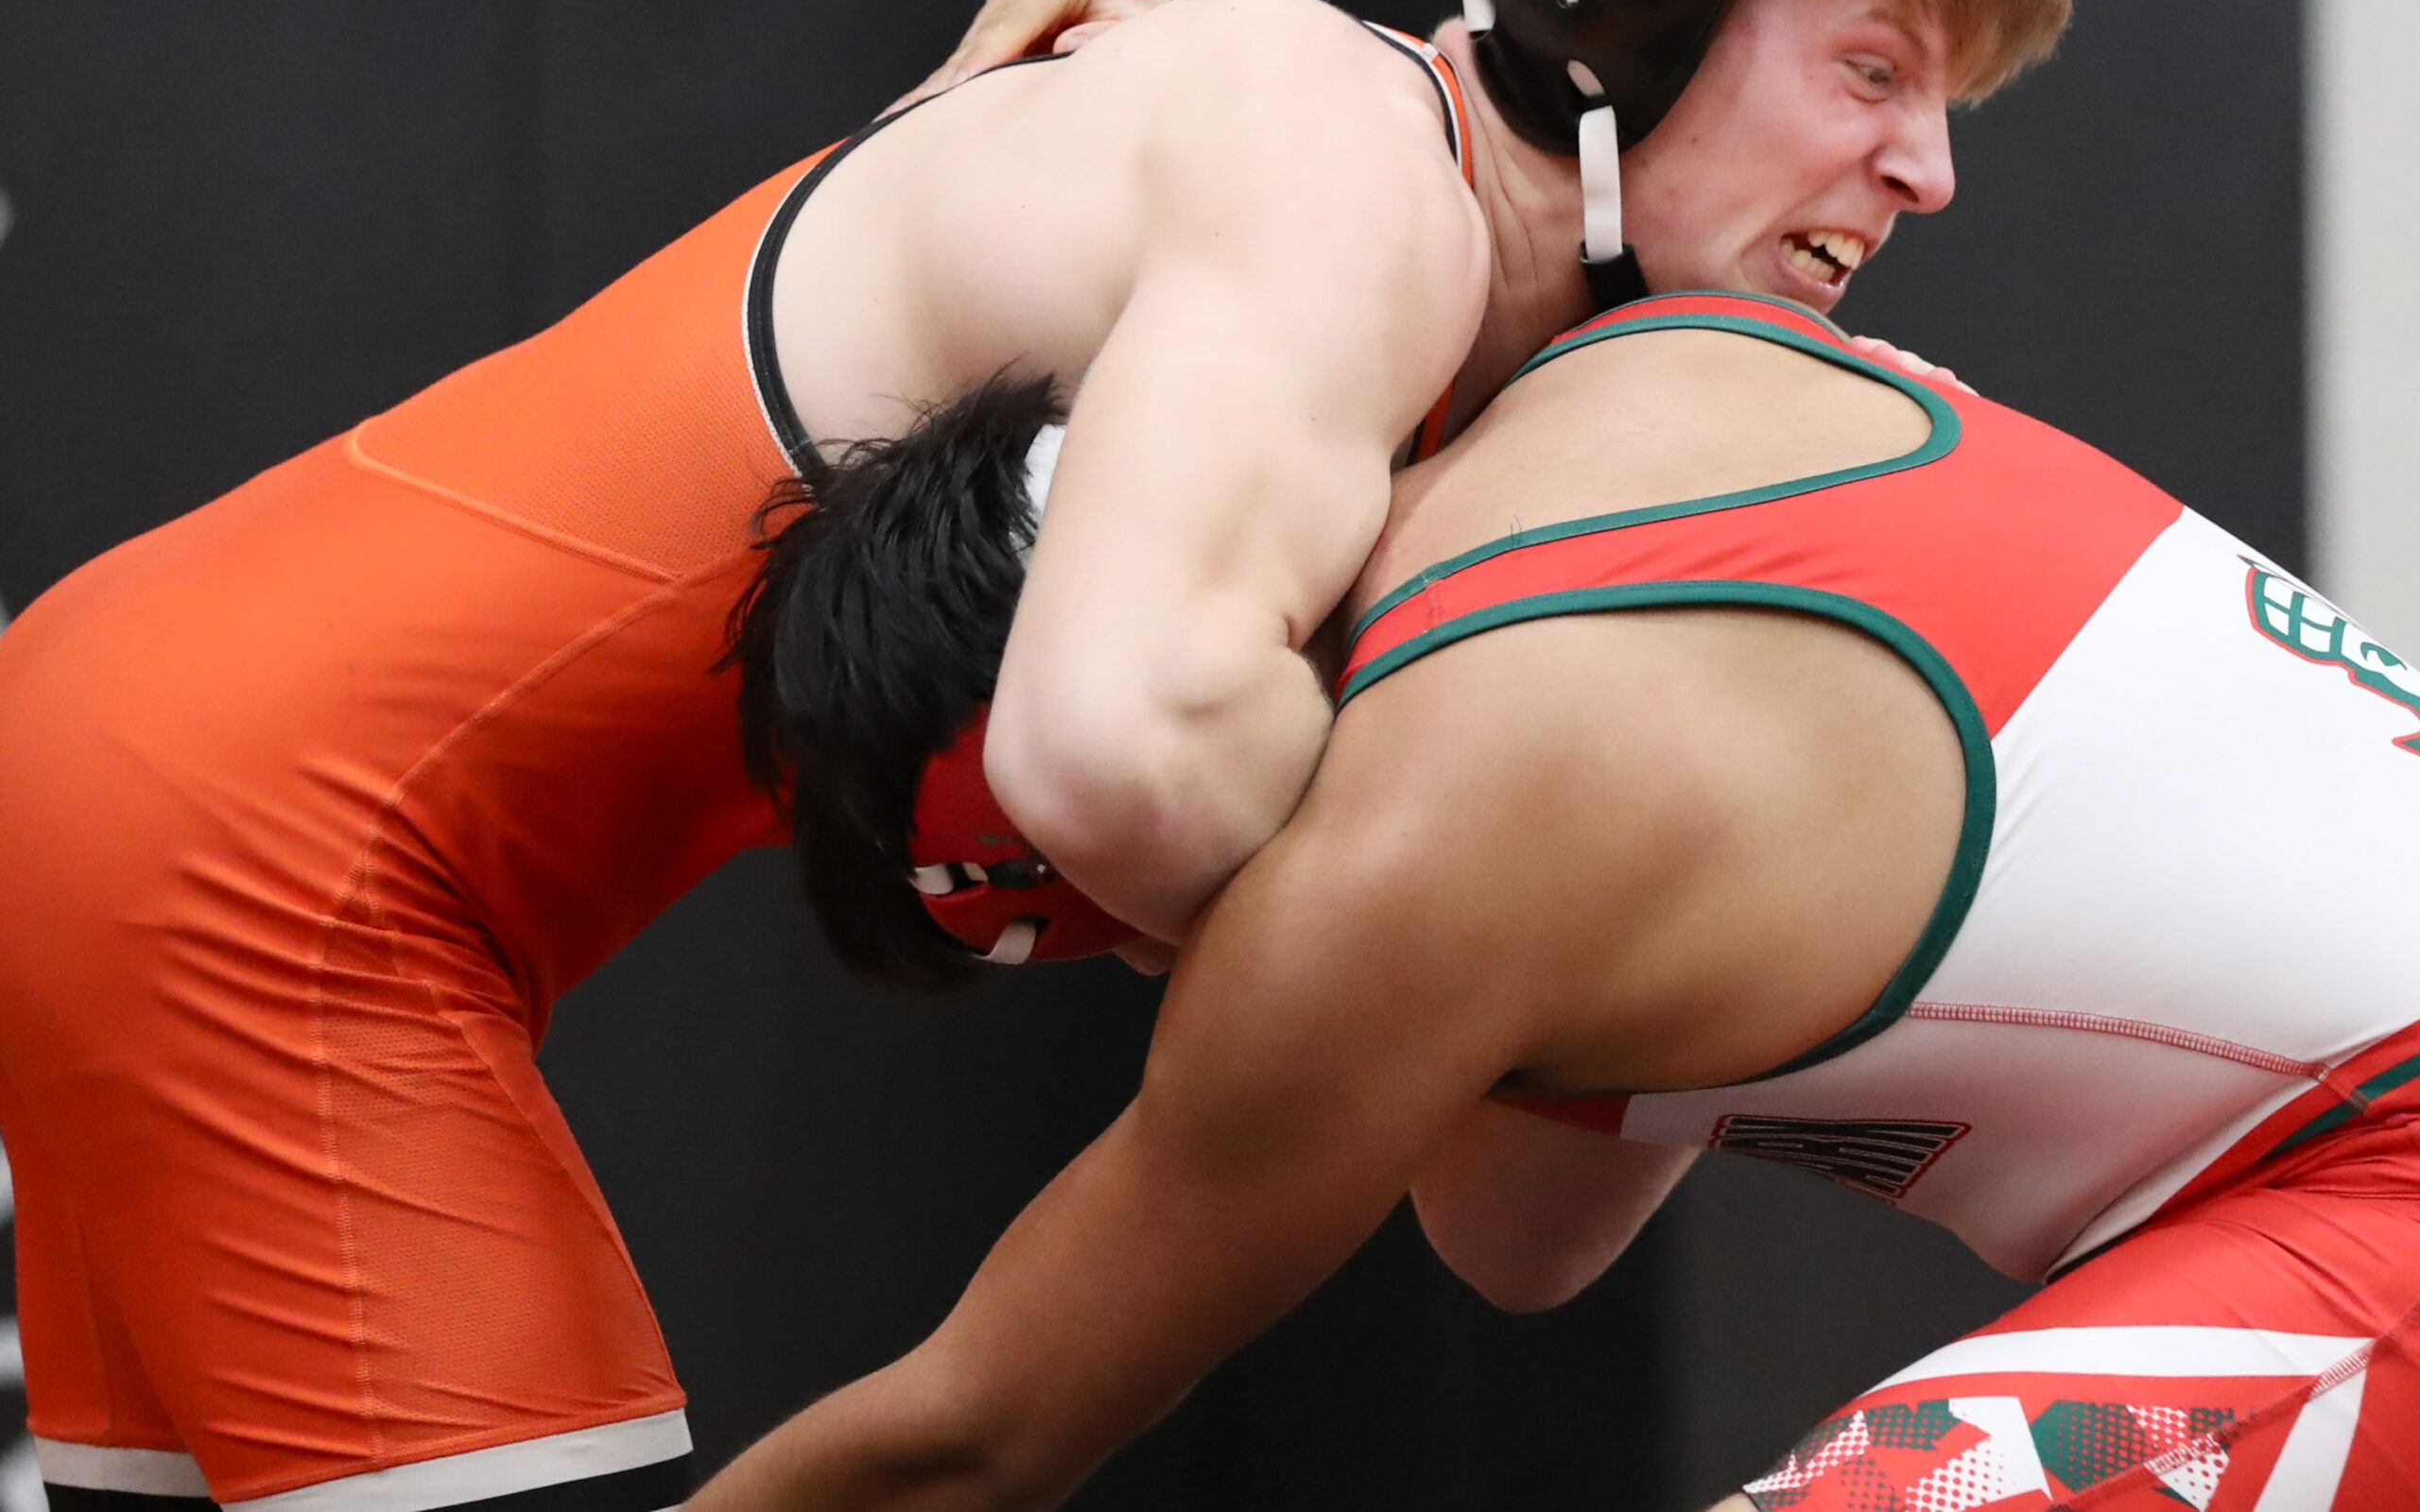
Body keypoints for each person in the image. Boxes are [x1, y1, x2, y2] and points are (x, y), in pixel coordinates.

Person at [0, 0, 2062, 1512]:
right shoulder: (1341, 166)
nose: (1930, 171)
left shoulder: (1417, 320)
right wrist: (1456, 889)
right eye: (1872, 70)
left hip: (168, 756)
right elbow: (1115, 750)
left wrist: (1580, 880)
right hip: (269, 844)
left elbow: (1512, 1231)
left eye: (1949, 103)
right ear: (1618, 6)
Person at [696, 289, 2420, 1512]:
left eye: (1114, 909)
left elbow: (977, 1440)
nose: (1162, 961)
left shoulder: (1418, 830)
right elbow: (1519, 1240)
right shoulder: (1631, 364)